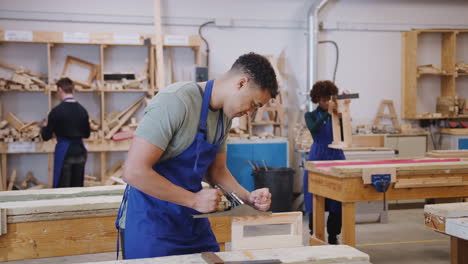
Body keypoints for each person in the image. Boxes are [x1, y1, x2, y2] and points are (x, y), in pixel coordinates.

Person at [116, 52, 278, 259]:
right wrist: (193, 200)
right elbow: (133, 172)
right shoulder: (175, 101)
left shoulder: (224, 117)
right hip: (153, 222)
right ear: (241, 83)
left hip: (191, 221)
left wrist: (248, 197)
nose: (250, 113)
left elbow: (217, 171)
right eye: (254, 104)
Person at [303, 80, 345, 245]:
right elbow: (313, 129)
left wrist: (341, 116)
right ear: (317, 99)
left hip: (336, 154)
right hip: (318, 155)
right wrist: (328, 113)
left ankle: (334, 235)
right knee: (315, 195)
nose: (326, 102)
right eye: (323, 99)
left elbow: (341, 133)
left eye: (329, 99)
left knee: (338, 197)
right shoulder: (310, 115)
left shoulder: (336, 114)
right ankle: (316, 233)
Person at [41, 77, 90, 188]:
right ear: (72, 90)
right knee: (77, 188)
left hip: (65, 152)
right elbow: (87, 134)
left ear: (59, 89)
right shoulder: (83, 110)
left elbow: (46, 136)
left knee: (63, 189)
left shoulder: (56, 112)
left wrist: (44, 127)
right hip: (80, 151)